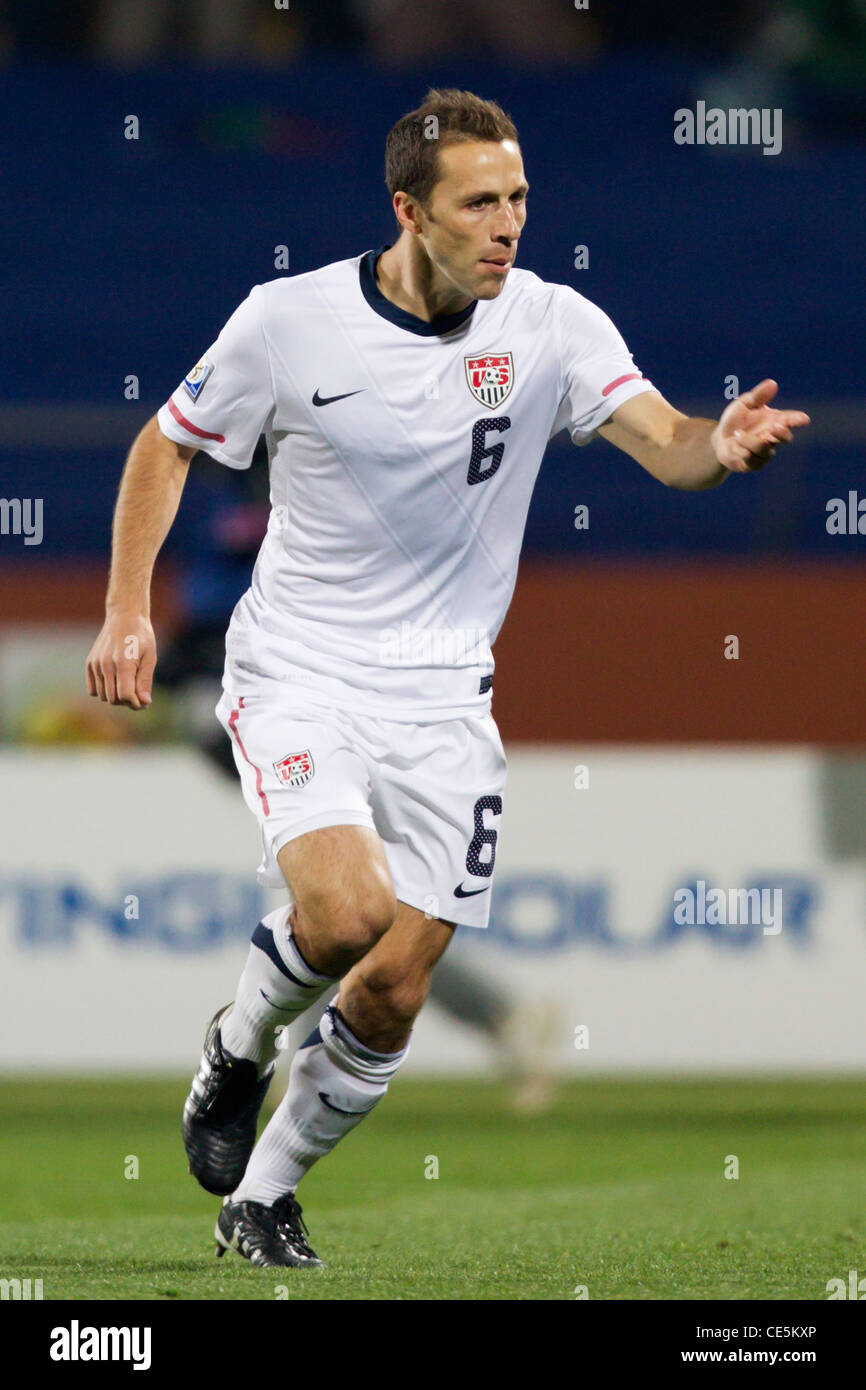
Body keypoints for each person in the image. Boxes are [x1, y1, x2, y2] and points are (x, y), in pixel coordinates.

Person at [85, 88, 809, 1270]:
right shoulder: (288, 320)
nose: (505, 224)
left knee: (393, 989)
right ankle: (235, 1047)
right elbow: (164, 441)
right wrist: (125, 614)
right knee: (347, 914)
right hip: (301, 667)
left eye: (517, 199)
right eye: (479, 203)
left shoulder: (554, 324)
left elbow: (665, 443)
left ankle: (261, 1196)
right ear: (407, 212)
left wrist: (713, 449)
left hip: (443, 699)